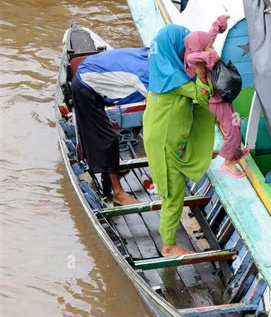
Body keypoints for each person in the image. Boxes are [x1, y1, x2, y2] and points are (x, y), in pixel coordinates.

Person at [143, 24, 215, 257]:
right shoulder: (174, 79)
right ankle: (168, 246)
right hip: (164, 143)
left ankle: (168, 239)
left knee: (171, 191)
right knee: (173, 195)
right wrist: (202, 69)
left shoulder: (164, 69)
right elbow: (203, 95)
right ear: (173, 48)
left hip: (162, 138)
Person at [71, 47, 150, 206]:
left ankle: (112, 169)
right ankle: (118, 193)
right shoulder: (145, 73)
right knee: (107, 139)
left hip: (98, 77)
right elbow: (155, 102)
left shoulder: (152, 53)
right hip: (85, 85)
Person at [184, 15, 250, 178]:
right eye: (207, 46)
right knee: (232, 132)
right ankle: (228, 162)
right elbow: (192, 57)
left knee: (235, 124)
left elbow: (209, 38)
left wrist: (218, 24)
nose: (211, 47)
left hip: (224, 96)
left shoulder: (202, 47)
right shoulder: (195, 59)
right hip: (215, 100)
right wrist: (210, 55)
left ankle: (233, 153)